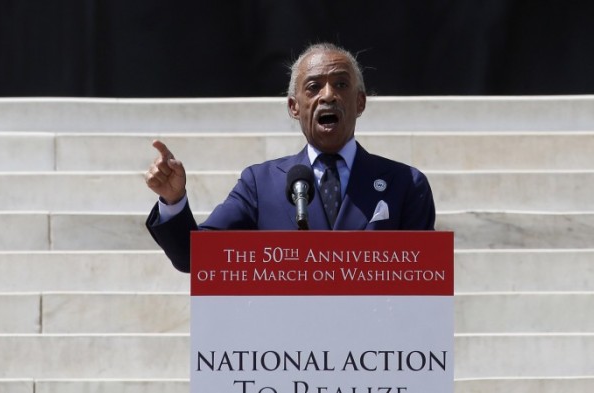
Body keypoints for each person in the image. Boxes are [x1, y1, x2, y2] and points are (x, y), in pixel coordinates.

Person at [145, 42, 435, 273]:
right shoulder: (260, 184)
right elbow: (195, 258)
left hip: (373, 344)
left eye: (341, 84)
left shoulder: (405, 184)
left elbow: (423, 284)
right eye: (314, 87)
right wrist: (173, 201)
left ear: (360, 102)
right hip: (288, 345)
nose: (328, 95)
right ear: (294, 107)